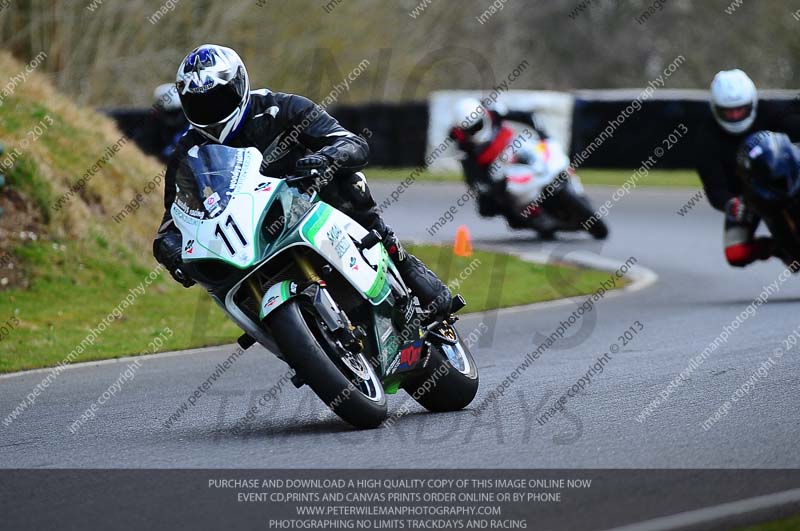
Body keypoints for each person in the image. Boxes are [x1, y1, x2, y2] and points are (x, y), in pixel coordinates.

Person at [152, 44, 451, 318]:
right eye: (200, 105)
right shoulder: (187, 152)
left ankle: (400, 259)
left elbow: (351, 143)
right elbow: (176, 215)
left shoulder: (280, 107)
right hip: (249, 235)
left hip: (309, 200)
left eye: (219, 99)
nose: (212, 111)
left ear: (239, 85)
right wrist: (169, 246)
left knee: (349, 182)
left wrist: (326, 158)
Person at [694, 69, 800, 266]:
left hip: (790, 178)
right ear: (715, 108)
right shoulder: (706, 138)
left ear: (751, 103)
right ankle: (778, 247)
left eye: (740, 109)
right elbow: (713, 186)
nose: (734, 115)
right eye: (728, 111)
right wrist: (730, 204)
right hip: (748, 197)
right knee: (737, 253)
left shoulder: (772, 112)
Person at [448, 98, 560, 234]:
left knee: (539, 150)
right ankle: (530, 215)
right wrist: (485, 188)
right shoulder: (461, 143)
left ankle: (558, 173)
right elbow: (471, 174)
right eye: (471, 129)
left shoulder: (494, 112)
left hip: (513, 146)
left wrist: (542, 134)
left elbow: (527, 116)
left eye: (477, 125)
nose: (475, 130)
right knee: (487, 204)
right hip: (493, 167)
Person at [731, 131, 800, 268]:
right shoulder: (747, 195)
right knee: (737, 252)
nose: (782, 187)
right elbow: (735, 252)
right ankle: (785, 248)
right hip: (784, 237)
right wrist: (770, 247)